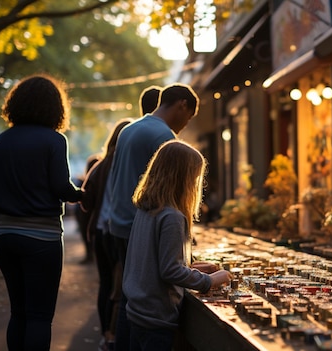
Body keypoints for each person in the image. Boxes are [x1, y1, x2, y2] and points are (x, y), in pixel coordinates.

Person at [0, 74, 83, 351]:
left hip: (3, 235)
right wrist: (80, 195)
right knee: (39, 316)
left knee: (19, 312)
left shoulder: (1, 141)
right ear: (55, 108)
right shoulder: (54, 140)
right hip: (42, 238)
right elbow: (61, 187)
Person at [106, 83, 198, 350]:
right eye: (189, 116)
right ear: (182, 104)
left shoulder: (129, 129)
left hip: (122, 223)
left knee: (130, 294)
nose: (186, 124)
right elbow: (173, 186)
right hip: (141, 226)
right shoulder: (164, 137)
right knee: (144, 299)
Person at [123, 140, 232, 351]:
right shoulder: (172, 217)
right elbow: (169, 271)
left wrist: (190, 267)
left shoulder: (147, 210)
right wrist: (209, 281)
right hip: (156, 316)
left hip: (139, 310)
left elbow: (156, 261)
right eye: (195, 178)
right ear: (184, 178)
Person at [81, 118, 134, 351]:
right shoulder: (129, 164)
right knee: (122, 286)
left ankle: (106, 334)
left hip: (101, 232)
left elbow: (86, 198)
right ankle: (117, 336)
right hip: (120, 233)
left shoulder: (100, 165)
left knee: (105, 284)